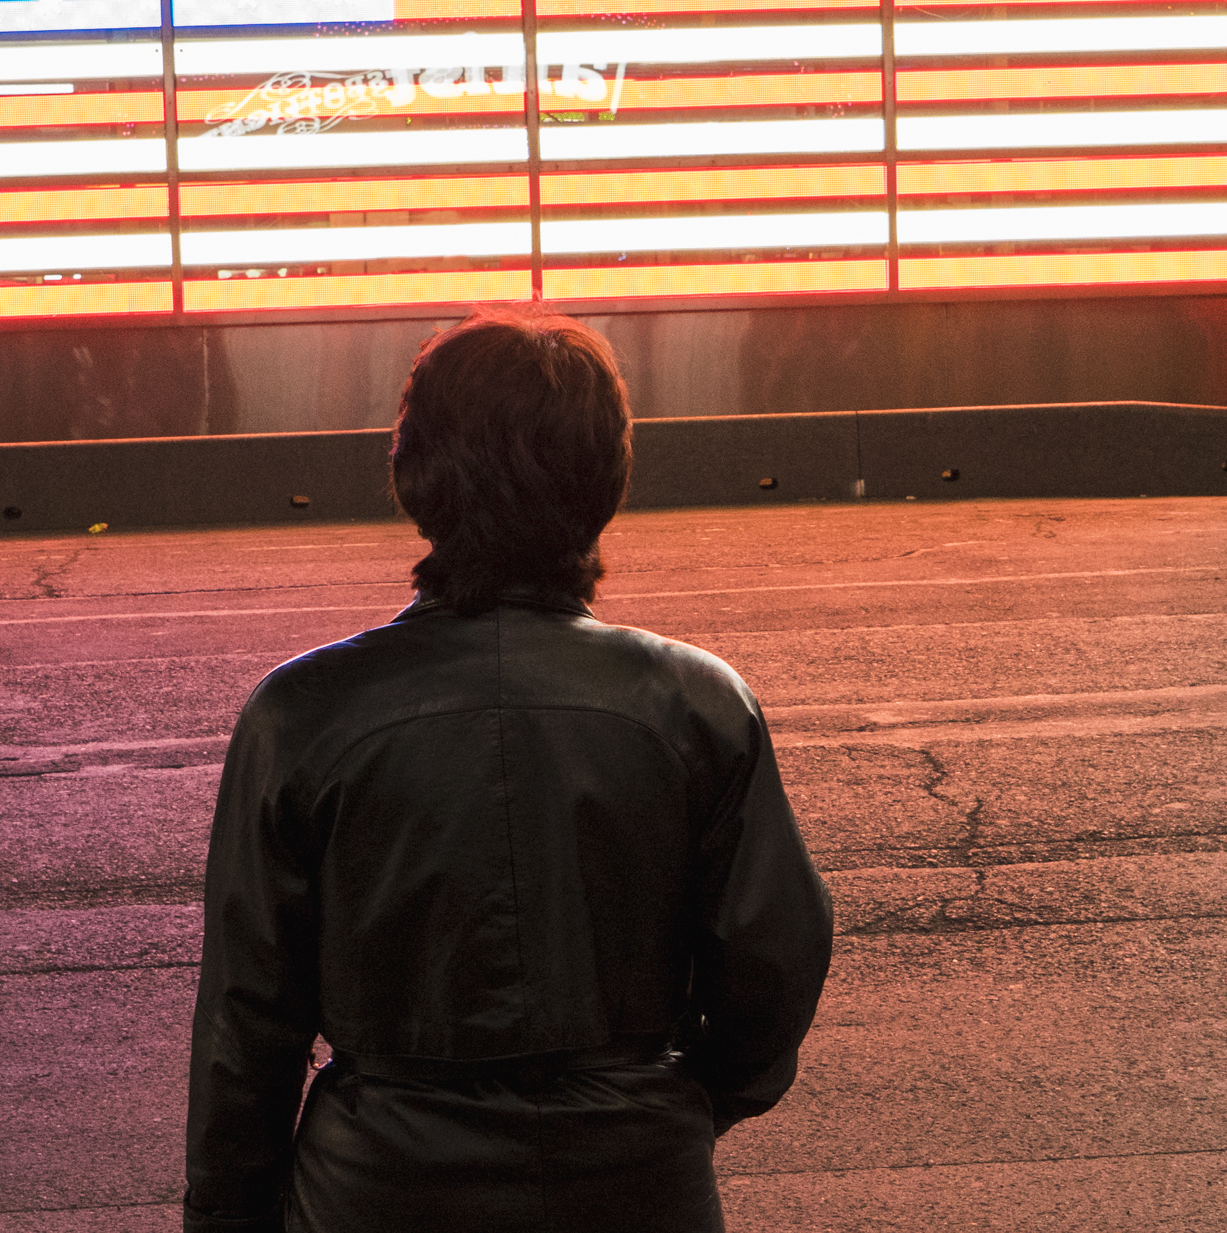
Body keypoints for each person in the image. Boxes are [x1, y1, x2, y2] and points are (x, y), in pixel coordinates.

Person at [184, 308, 833, 1233]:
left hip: (379, 1180)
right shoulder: (697, 704)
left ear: (415, 471)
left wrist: (225, 1214)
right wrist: (682, 1103)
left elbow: (246, 1022)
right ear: (604, 475)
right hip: (635, 1173)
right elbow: (774, 958)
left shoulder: (303, 713)